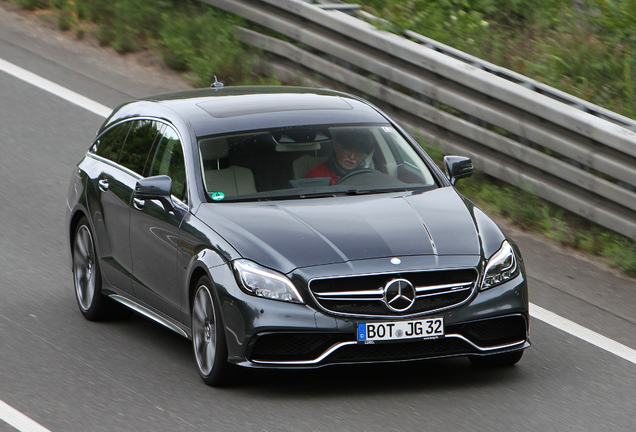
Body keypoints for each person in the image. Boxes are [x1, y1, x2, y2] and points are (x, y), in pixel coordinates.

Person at [306, 129, 375, 185]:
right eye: (347, 149)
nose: (352, 157)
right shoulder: (315, 176)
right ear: (336, 147)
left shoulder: (370, 177)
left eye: (358, 152)